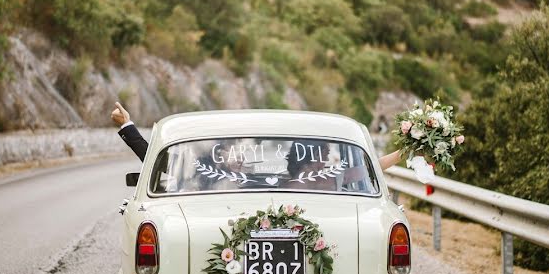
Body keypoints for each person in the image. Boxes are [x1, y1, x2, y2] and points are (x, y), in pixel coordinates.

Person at [111, 101, 403, 170]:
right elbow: (165, 166)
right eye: (322, 154)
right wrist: (129, 127)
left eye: (324, 155)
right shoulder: (220, 179)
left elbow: (370, 167)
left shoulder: (329, 178)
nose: (324, 159)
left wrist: (408, 151)